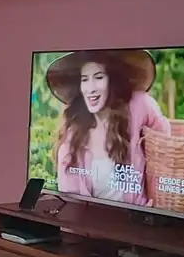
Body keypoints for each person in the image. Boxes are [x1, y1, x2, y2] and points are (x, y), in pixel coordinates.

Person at [47, 50, 170, 206]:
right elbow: (70, 203)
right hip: (92, 220)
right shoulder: (72, 141)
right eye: (85, 79)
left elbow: (165, 145)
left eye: (98, 77)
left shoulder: (139, 105)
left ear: (112, 80)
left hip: (138, 218)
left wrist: (154, 206)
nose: (90, 88)